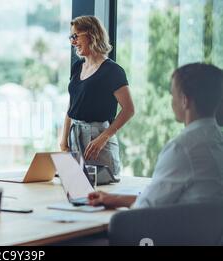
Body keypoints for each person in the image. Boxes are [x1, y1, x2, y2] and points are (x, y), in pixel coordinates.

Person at [89, 63, 223, 209]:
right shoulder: (215, 140)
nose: (172, 101)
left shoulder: (182, 148)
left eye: (173, 95)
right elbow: (159, 199)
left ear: (185, 100)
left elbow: (146, 207)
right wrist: (114, 199)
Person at [60, 16, 135, 175]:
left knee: (104, 189)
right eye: (71, 37)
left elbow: (129, 110)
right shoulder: (77, 66)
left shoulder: (113, 71)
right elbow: (71, 105)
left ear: (91, 34)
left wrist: (104, 137)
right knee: (76, 188)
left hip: (98, 139)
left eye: (75, 36)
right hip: (75, 135)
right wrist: (63, 139)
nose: (73, 42)